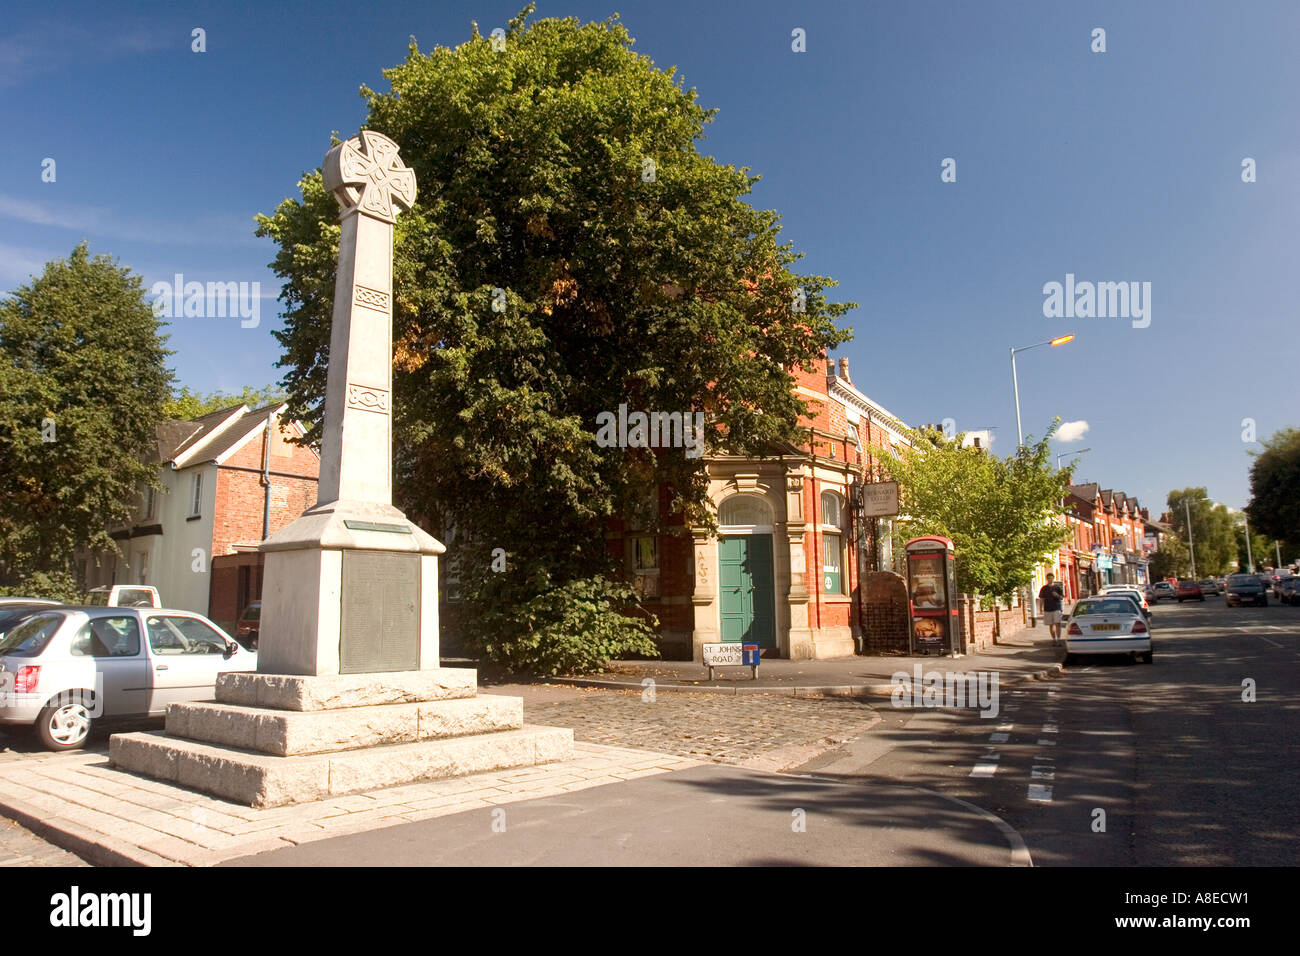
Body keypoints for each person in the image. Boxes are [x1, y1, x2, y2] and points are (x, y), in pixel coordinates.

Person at [1039, 573, 1066, 644]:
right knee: (1051, 625)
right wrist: (1040, 608)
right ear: (1047, 579)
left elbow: (1062, 597)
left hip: (1057, 608)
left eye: (1051, 578)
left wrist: (1057, 595)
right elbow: (1041, 599)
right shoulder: (1044, 588)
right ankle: (1054, 640)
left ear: (1053, 579)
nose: (1050, 579)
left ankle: (1059, 640)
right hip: (1047, 609)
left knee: (1058, 624)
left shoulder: (1057, 587)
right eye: (1048, 578)